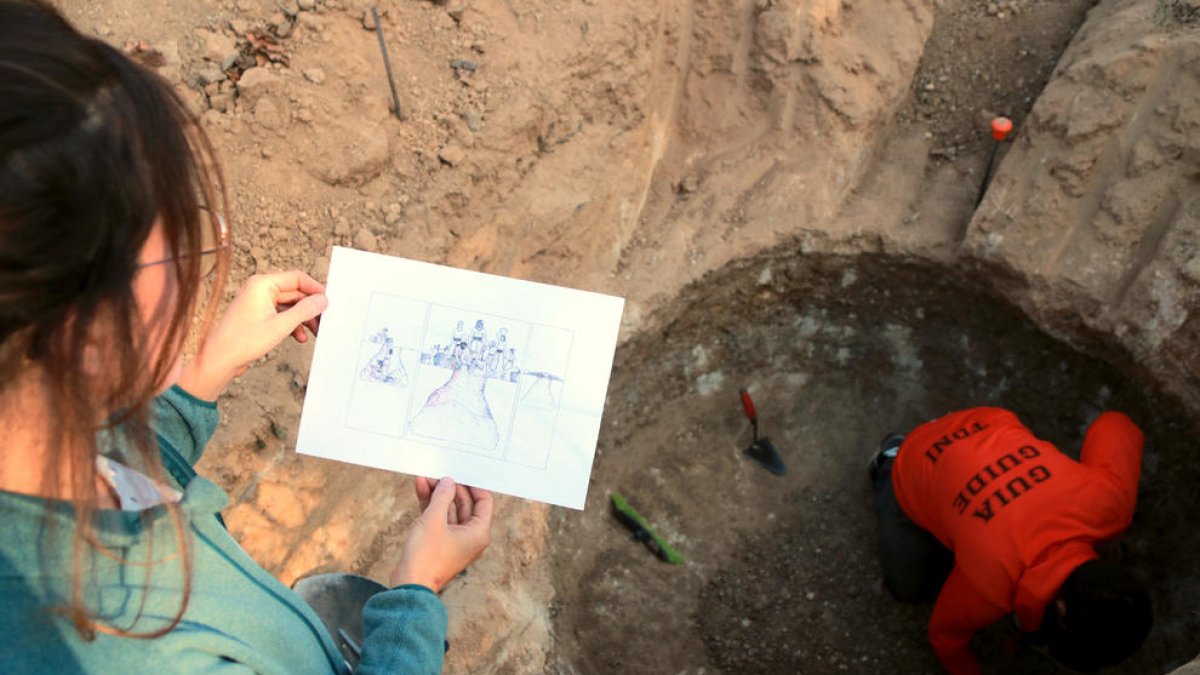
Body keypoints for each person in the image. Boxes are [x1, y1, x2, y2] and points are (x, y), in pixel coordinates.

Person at [0, 1, 492, 672]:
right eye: (174, 249)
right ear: (79, 332)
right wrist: (415, 593)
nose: (191, 272)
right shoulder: (143, 655)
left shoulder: (34, 454)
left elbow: (108, 465)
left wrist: (202, 374)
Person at [869, 407, 1152, 674]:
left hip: (987, 421)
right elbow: (944, 636)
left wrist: (1110, 531)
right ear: (1061, 610)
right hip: (919, 458)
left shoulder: (1110, 504)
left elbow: (1115, 423)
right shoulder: (991, 585)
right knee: (909, 588)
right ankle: (890, 457)